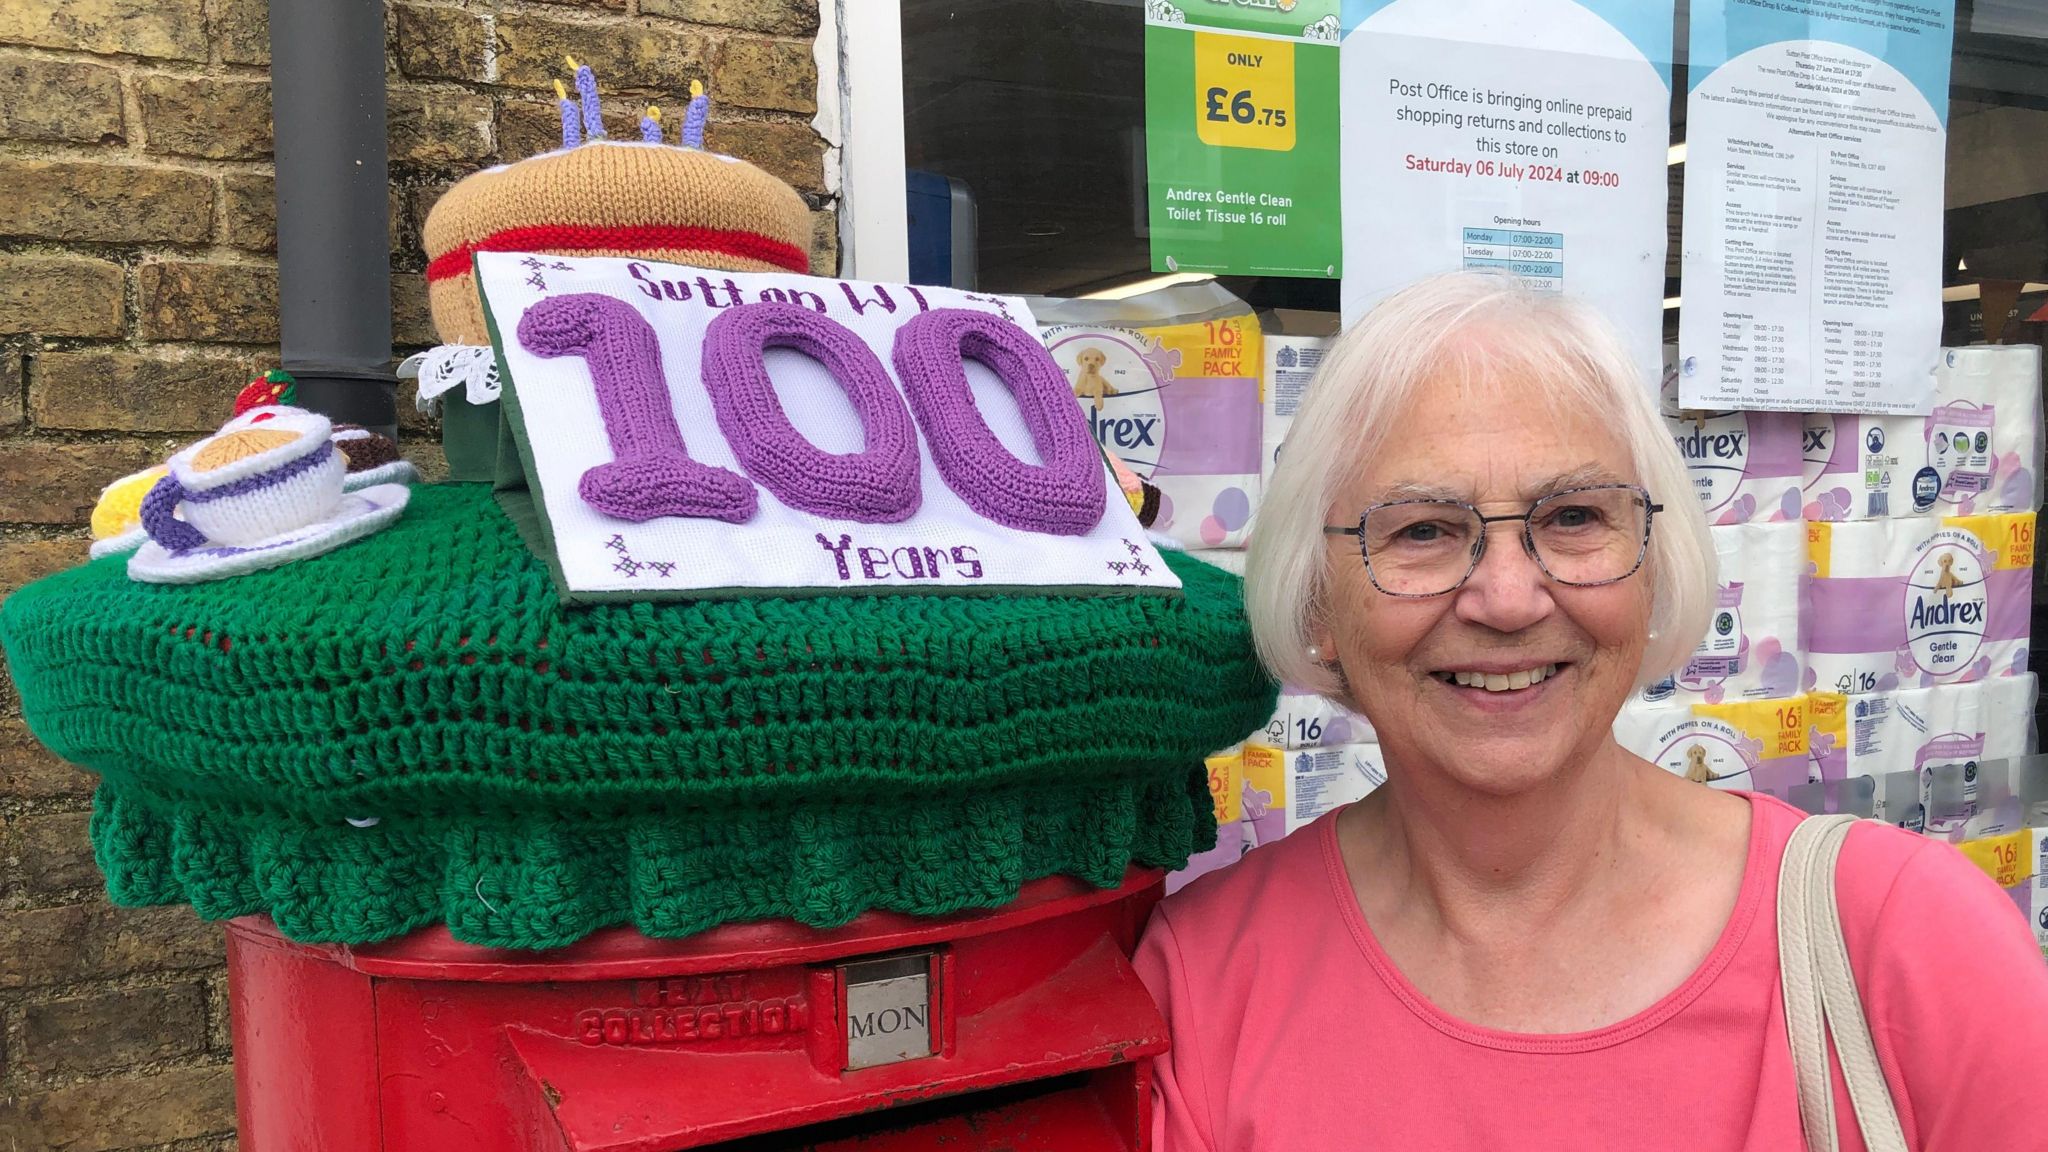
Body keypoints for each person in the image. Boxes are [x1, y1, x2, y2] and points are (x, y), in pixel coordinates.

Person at [1134, 272, 2048, 1150]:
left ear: (1656, 566)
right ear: (1317, 602)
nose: (1507, 598)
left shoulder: (1914, 948)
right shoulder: (1204, 984)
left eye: (1572, 517)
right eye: (1421, 529)